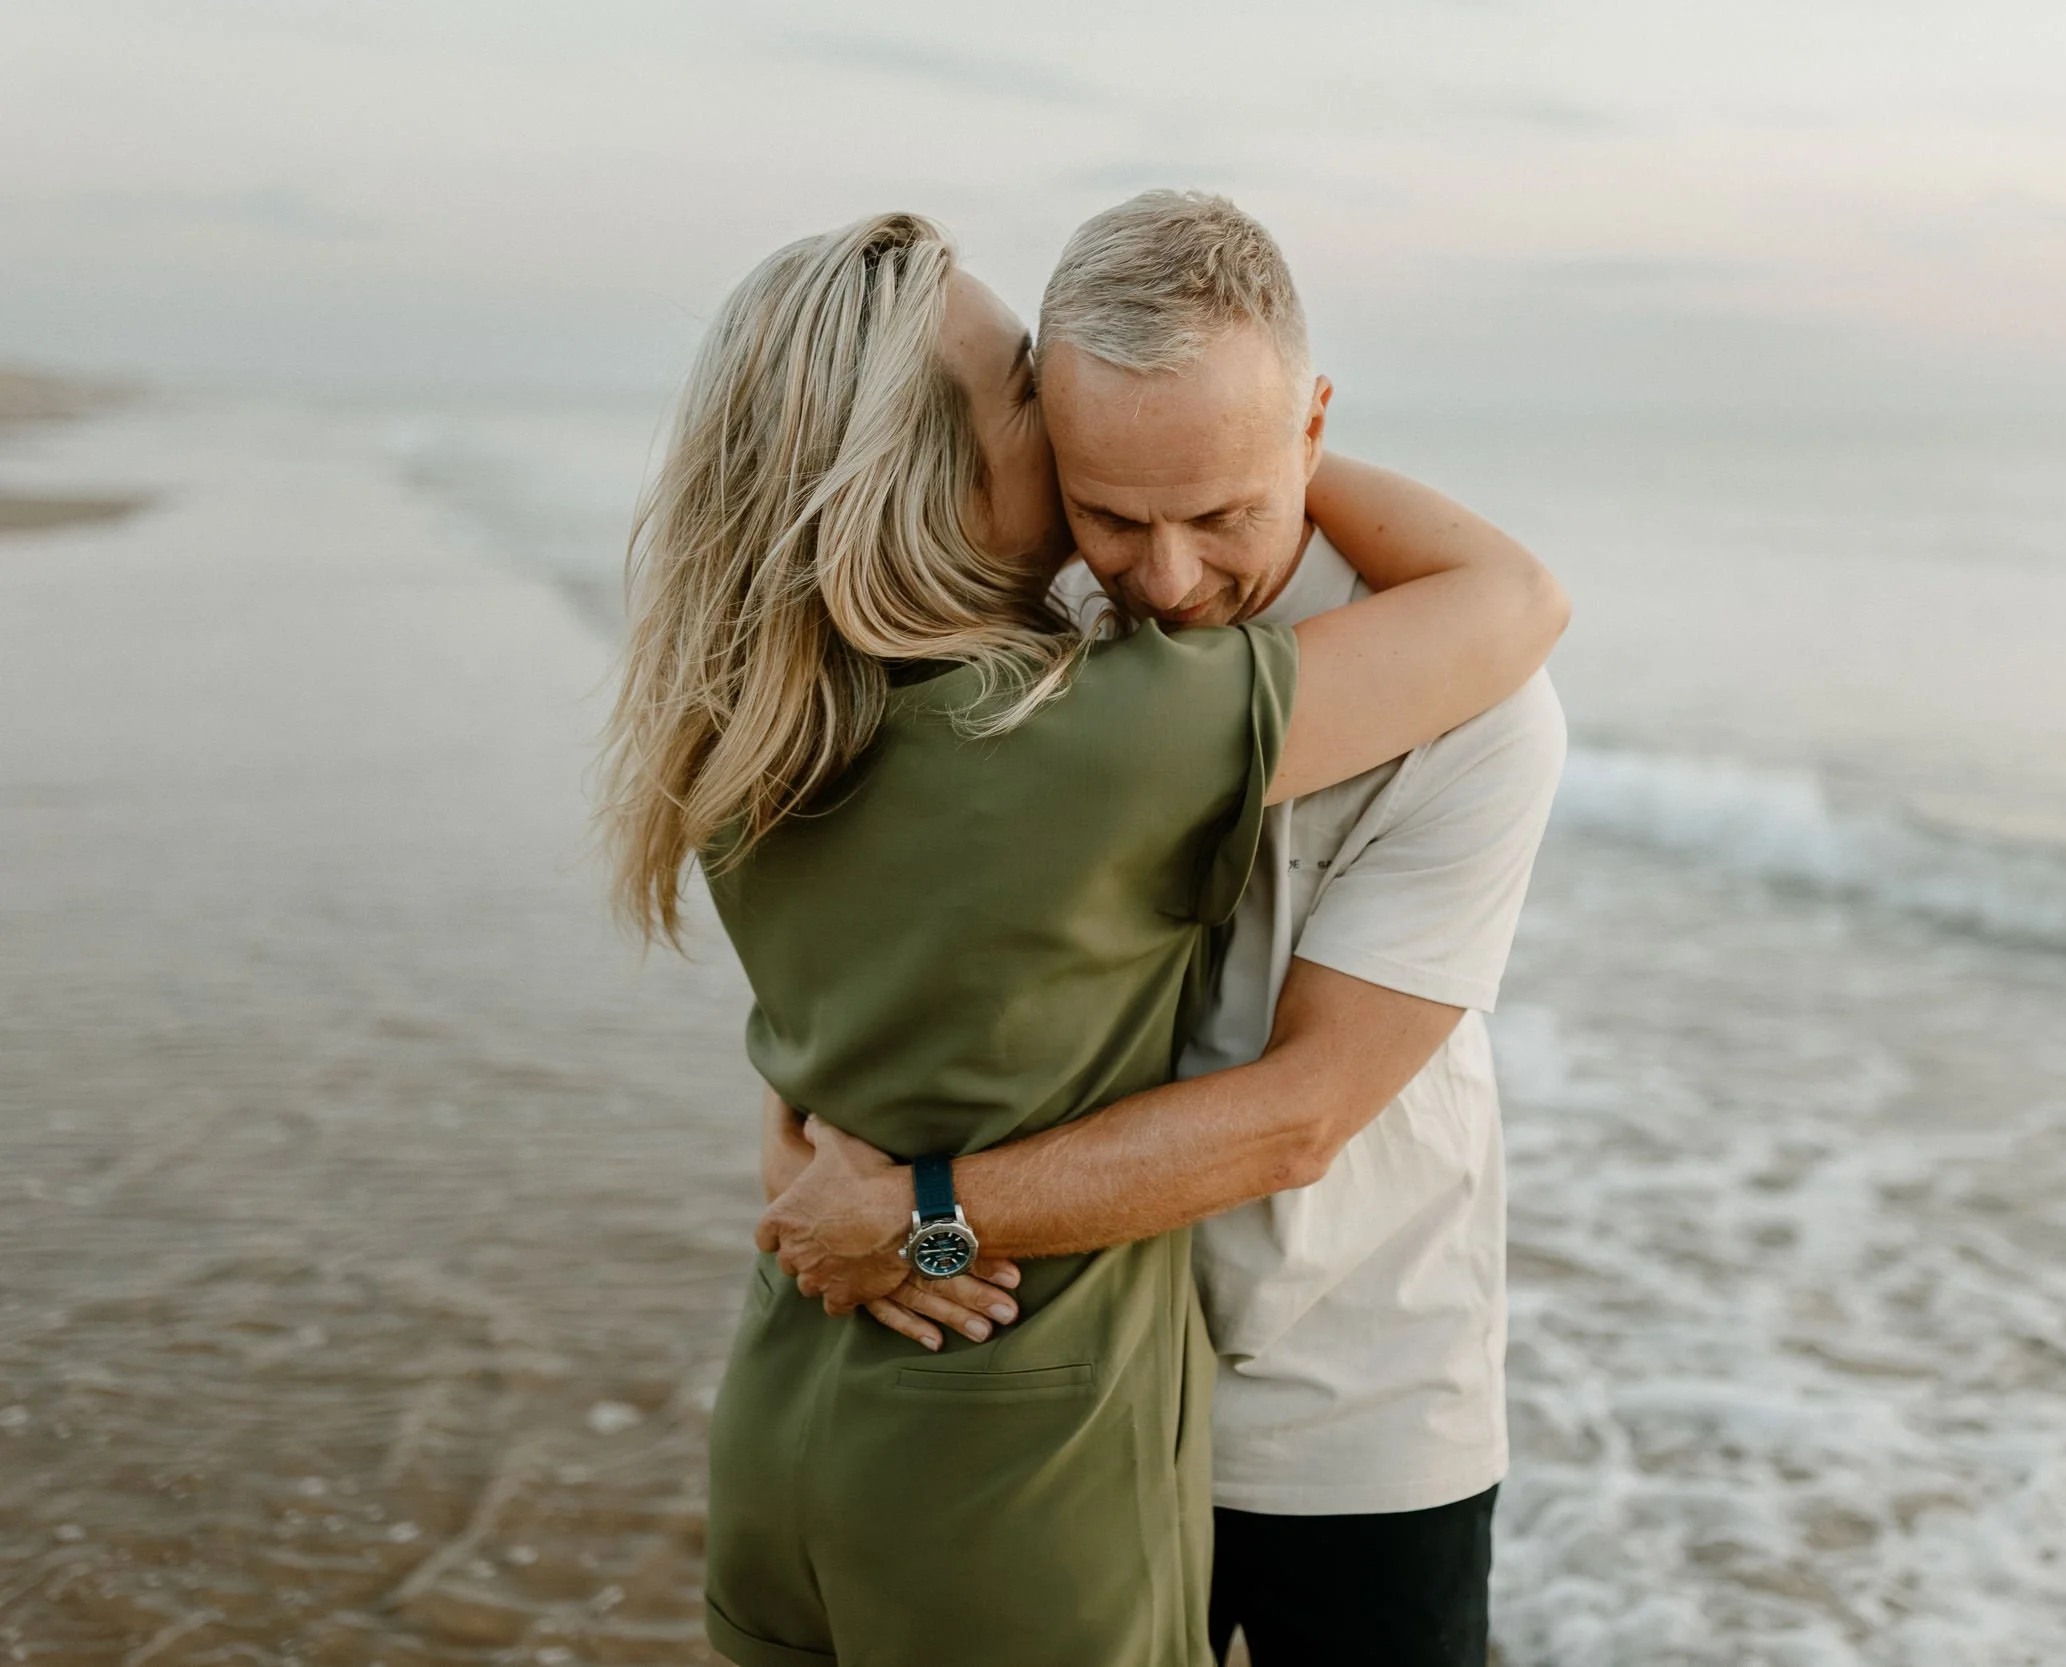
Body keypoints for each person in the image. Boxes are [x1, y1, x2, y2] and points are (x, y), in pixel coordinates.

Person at [599, 209, 1566, 1667]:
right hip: (1045, 1421)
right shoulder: (1058, 702)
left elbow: (1288, 1113)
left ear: (1310, 424)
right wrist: (1237, 459)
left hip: (1278, 1413)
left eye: (1221, 511)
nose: (1166, 580)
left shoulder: (771, 718)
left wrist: (887, 1196)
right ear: (1004, 459)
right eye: (1091, 486)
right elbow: (1518, 598)